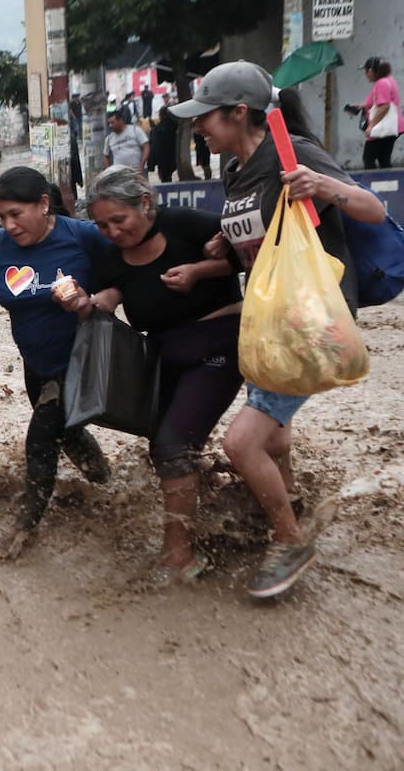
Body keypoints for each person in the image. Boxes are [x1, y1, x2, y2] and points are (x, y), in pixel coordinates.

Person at [170, 60, 387, 598]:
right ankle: (287, 501)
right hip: (268, 317)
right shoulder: (233, 171)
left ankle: (290, 541)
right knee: (274, 432)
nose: (198, 127)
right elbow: (261, 246)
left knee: (243, 443)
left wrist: (323, 185)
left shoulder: (292, 155)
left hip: (312, 321)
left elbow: (375, 209)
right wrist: (222, 248)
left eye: (206, 118)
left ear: (239, 113)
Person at [74, 166, 243, 584]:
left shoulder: (191, 225)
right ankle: (223, 505)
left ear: (146, 203)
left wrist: (200, 270)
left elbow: (253, 257)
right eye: (101, 224)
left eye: (119, 220)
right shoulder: (112, 255)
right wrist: (96, 300)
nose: (111, 231)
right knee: (164, 445)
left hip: (219, 345)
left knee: (173, 446)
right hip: (165, 356)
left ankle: (179, 556)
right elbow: (117, 289)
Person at [0, 167, 113, 559]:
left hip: (79, 359)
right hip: (36, 365)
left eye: (16, 214)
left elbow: (129, 267)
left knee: (40, 441)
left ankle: (20, 532)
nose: (9, 225)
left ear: (44, 204)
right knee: (68, 433)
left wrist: (95, 297)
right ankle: (107, 486)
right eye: (1, 217)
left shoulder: (81, 236)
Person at [355, 57, 402, 169]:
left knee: (369, 158)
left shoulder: (381, 83)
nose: (366, 75)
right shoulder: (389, 79)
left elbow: (384, 106)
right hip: (393, 127)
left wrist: (371, 126)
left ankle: (371, 184)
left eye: (366, 71)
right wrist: (364, 105)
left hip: (381, 128)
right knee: (384, 159)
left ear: (370, 70)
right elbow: (379, 101)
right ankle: (389, 184)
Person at [149, 107, 179, 183]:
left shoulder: (168, 125)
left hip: (165, 156)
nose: (159, 116)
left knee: (165, 176)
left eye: (160, 114)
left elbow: (158, 140)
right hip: (169, 155)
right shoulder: (174, 124)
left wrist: (154, 128)